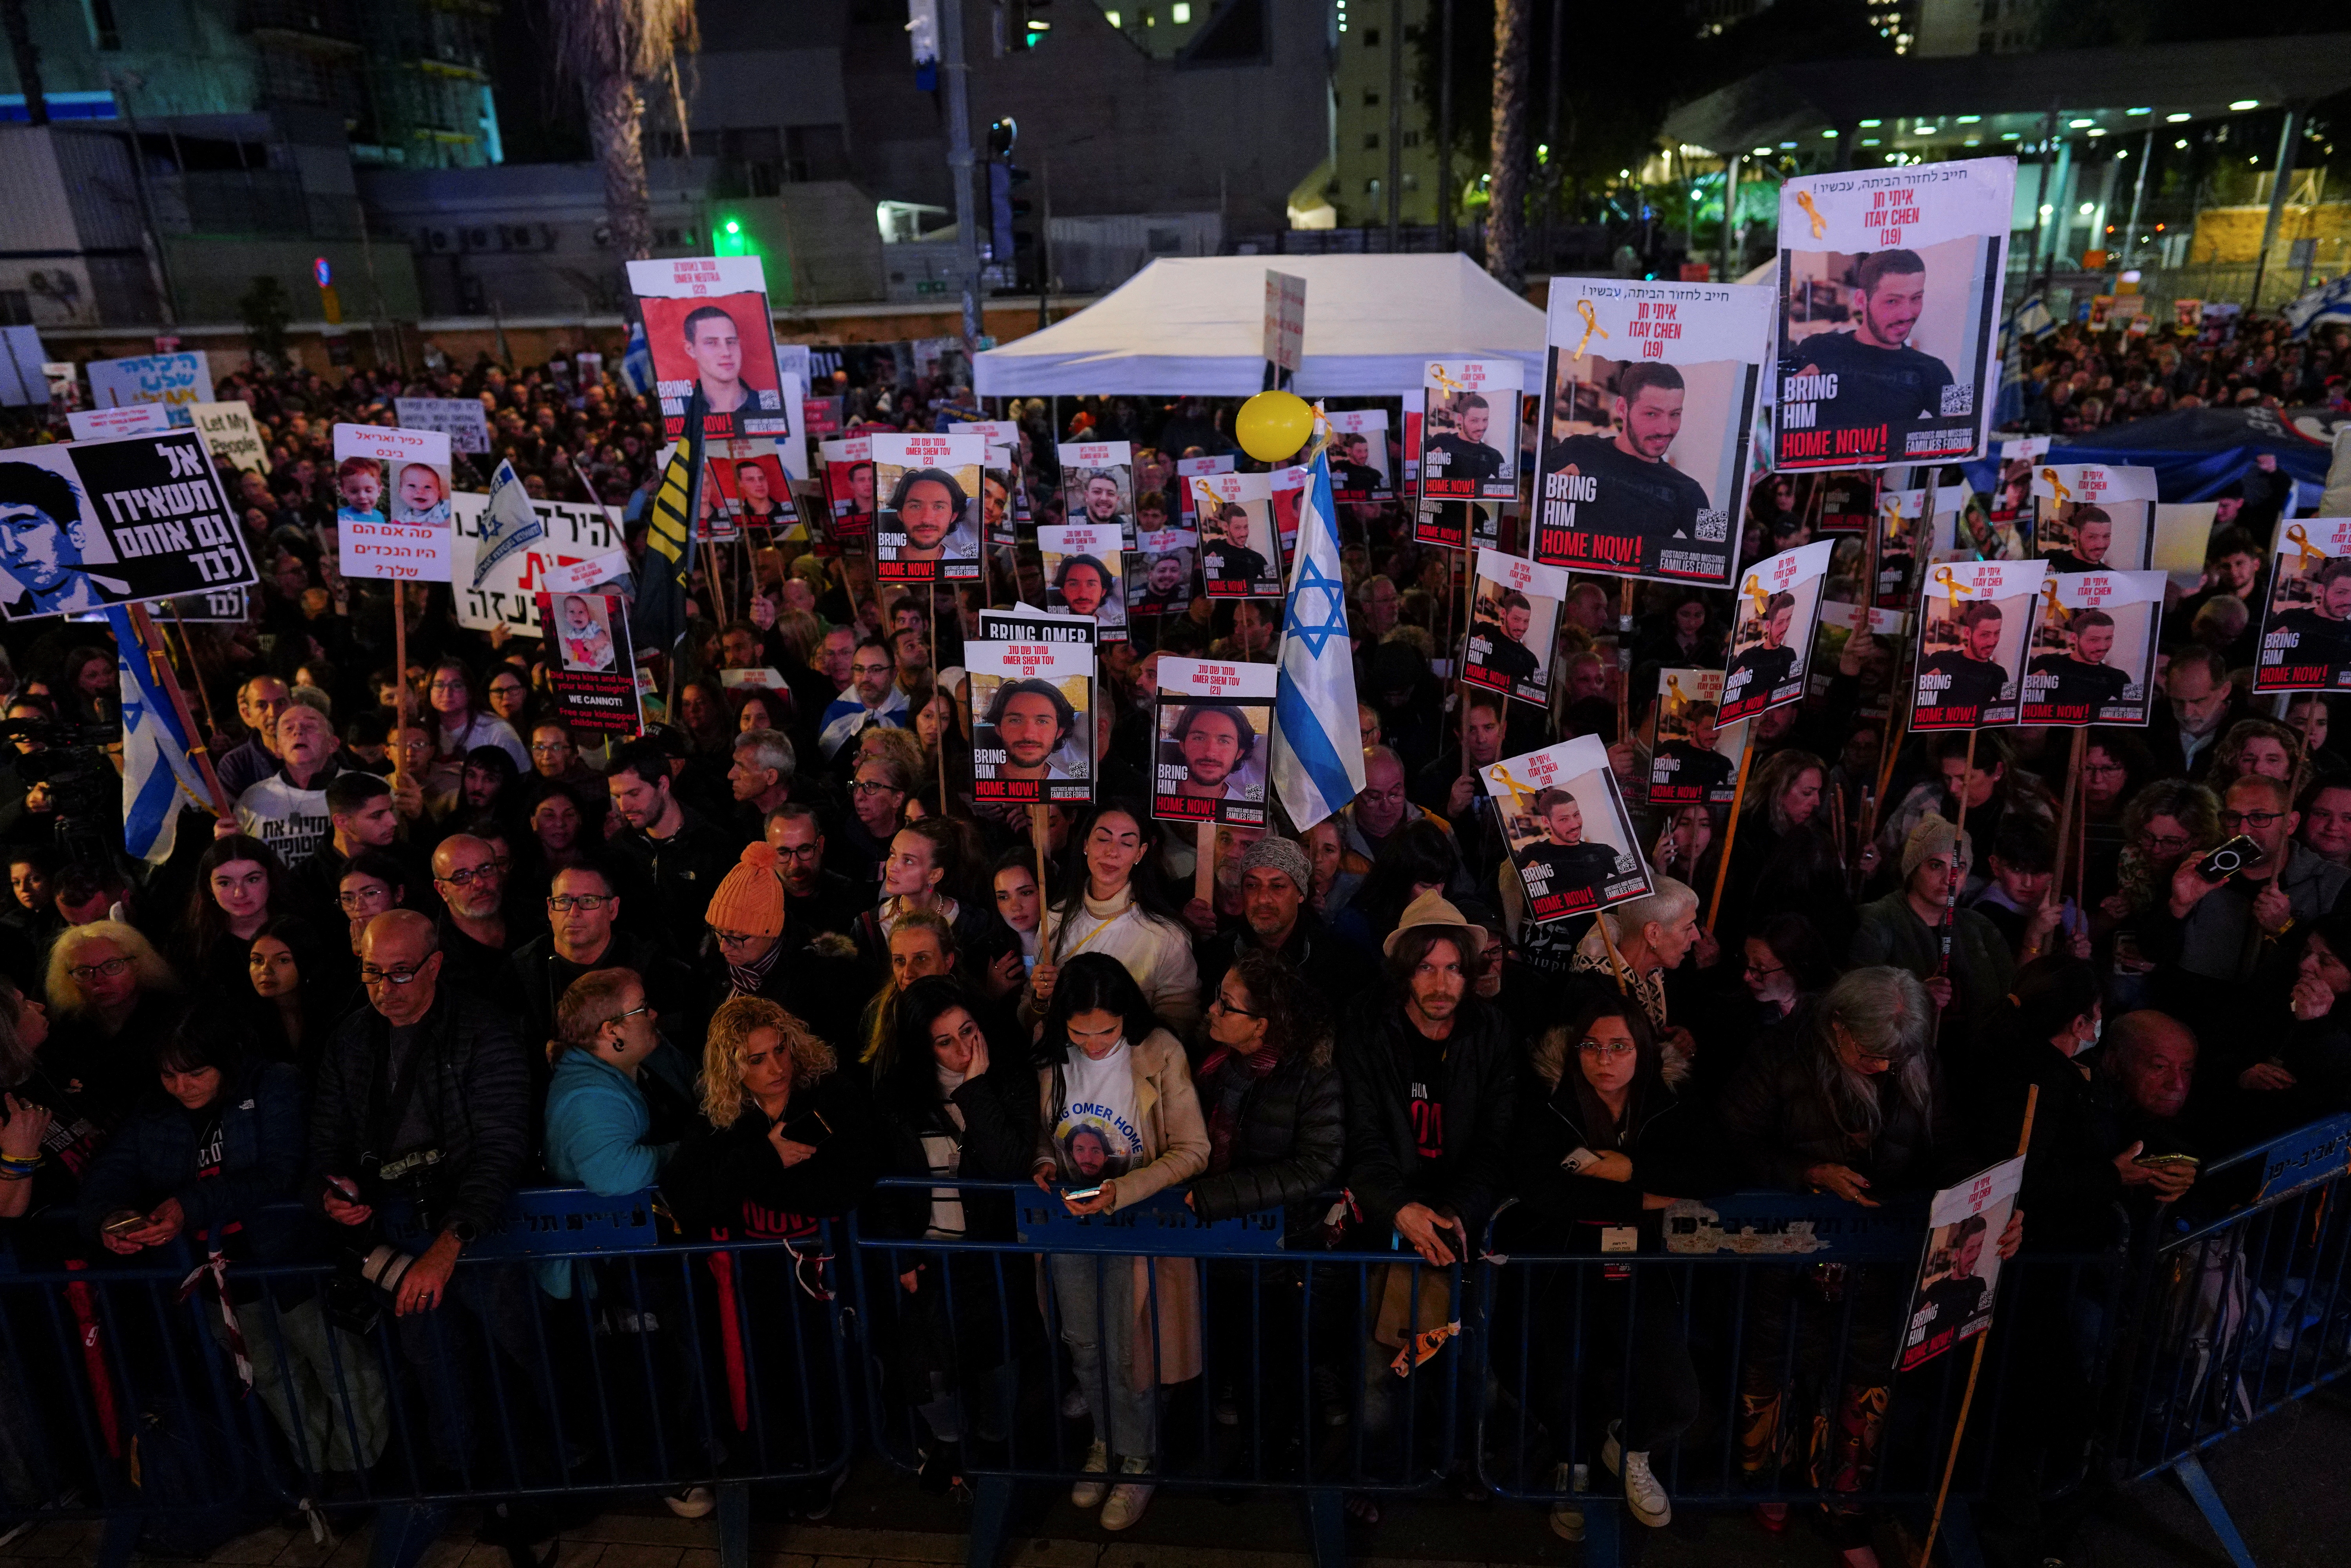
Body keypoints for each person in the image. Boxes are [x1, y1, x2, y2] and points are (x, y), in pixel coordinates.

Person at [306, 909, 534, 1472]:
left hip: (479, 1230)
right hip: (395, 1223)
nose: (387, 989)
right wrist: (331, 1191)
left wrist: (449, 1244)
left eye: (402, 972)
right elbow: (323, 1143)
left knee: (520, 1357)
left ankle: (542, 1479)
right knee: (433, 1366)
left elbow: (501, 1148)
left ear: (435, 966)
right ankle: (465, 1483)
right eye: (373, 972)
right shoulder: (351, 1037)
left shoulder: (485, 1029)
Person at [1505, 994, 1728, 1538]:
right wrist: (1641, 1196)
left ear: (1643, 1051)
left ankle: (1630, 1447)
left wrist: (1623, 1166)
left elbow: (1711, 1172)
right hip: (1562, 1259)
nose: (1604, 1058)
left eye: (1620, 1047)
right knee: (1553, 1372)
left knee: (1677, 1394)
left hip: (1643, 1262)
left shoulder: (1672, 1100)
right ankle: (1572, 1465)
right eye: (1593, 1045)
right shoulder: (1549, 1099)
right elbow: (1541, 1189)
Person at [1029, 952, 1208, 1533]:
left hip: (1137, 1224)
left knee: (1132, 1345)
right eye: (1079, 1032)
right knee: (1082, 1339)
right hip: (1069, 1224)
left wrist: (1125, 1189)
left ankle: (1138, 1457)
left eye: (1106, 1030)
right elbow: (1039, 1127)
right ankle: (1105, 1442)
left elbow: (1193, 1148)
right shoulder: (1051, 1053)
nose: (1095, 1042)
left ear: (1126, 1017)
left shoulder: (1159, 1052)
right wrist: (1041, 1161)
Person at [866, 976, 1038, 1492]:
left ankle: (992, 1455)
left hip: (991, 1254)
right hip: (929, 1258)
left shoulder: (1006, 1076)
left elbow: (1011, 1161)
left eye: (969, 1031)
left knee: (998, 1367)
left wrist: (974, 1088)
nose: (964, 1049)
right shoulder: (895, 1094)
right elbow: (880, 1184)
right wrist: (902, 1259)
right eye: (946, 1040)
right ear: (923, 1045)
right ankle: (949, 1447)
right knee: (932, 1374)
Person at [1851, 815, 2013, 1060]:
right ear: (1913, 870)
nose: (1949, 878)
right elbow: (1854, 999)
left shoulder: (1980, 929)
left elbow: (2010, 1000)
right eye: (1936, 865)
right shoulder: (1876, 923)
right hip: (1904, 1065)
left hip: (1971, 1069)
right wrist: (1914, 996)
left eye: (1958, 868)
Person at [1028, 803, 1202, 1033]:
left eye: (1127, 843)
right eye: (1103, 839)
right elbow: (1029, 1020)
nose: (1112, 851)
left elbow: (1180, 1025)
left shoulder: (1168, 936)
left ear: (1140, 853)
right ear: (1085, 845)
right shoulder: (1053, 919)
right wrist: (1040, 998)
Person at [1543, 362, 1711, 555]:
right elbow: (1532, 521)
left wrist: (1741, 502)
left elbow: (1717, 556)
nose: (1665, 429)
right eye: (1651, 414)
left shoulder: (1689, 491)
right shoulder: (1577, 450)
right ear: (1623, 409)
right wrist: (1549, 493)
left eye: (1675, 415)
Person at [1780, 249, 1956, 431]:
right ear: (1861, 300)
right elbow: (1765, 410)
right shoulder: (1816, 349)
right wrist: (1789, 394)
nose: (1907, 314)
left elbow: (1965, 437)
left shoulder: (1936, 371)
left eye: (1916, 298)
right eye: (1893, 301)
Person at [0, 460, 125, 614]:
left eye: (25, 527)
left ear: (76, 535)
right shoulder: (10, 633)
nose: (11, 548)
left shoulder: (139, 607)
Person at [1514, 788, 1623, 908]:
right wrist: (1525, 880)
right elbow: (1512, 894)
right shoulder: (1532, 853)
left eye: (1576, 815)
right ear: (1546, 822)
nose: (1575, 825)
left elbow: (1639, 873)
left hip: (1601, 922)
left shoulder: (1603, 851)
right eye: (1564, 819)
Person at [678, 302, 779, 421]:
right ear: (691, 350)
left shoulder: (770, 402)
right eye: (711, 343)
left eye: (731, 342)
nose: (726, 352)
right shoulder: (680, 407)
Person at [2024, 607, 2130, 719]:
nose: (2102, 647)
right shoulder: (2046, 663)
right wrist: (2029, 685)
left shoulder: (2118, 677)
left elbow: (2135, 711)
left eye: (2108, 639)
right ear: (2074, 638)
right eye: (2094, 640)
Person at [819, 636, 911, 760]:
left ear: (893, 674)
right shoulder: (836, 713)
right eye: (859, 669)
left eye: (876, 670)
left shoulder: (910, 714)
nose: (866, 678)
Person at [1917, 600, 2010, 719]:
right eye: (1985, 635)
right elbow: (1913, 700)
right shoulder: (1940, 660)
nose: (1992, 642)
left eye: (1997, 634)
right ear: (1968, 633)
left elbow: (2011, 709)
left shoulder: (2000, 673)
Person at [2265, 554, 2351, 680]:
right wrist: (2267, 647)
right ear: (2322, 591)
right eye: (2341, 592)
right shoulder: (2290, 619)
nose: (2348, 601)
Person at [981, 678, 1078, 784]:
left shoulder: (1069, 790)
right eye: (1016, 720)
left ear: (1059, 731)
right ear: (998, 728)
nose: (1028, 735)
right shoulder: (974, 780)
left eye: (1042, 721)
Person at [1721, 592, 1799, 713]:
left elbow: (1795, 689)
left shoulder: (1788, 655)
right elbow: (1726, 685)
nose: (1784, 628)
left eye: (1788, 620)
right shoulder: (1749, 655)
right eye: (1780, 623)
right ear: (1768, 626)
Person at [1165, 702, 1257, 801]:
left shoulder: (1244, 810)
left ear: (1239, 753)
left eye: (1224, 741)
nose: (1210, 753)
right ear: (1182, 745)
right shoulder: (1155, 792)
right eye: (1199, 738)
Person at [885, 468, 978, 563]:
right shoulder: (879, 560)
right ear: (900, 513)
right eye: (916, 506)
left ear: (953, 516)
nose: (926, 520)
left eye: (939, 507)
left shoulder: (962, 570)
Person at [1652, 701, 1735, 796]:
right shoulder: (1670, 747)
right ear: (1693, 726)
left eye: (1719, 729)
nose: (1714, 735)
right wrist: (1656, 765)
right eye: (1708, 729)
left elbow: (1735, 793)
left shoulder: (1725, 763)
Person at [1425, 391, 1506, 486]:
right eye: (1474, 421)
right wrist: (1429, 462)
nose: (1481, 427)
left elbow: (1508, 488)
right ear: (1460, 419)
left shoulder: (1494, 456)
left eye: (1485, 420)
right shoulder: (1441, 441)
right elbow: (1417, 474)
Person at [1469, 588, 1542, 688]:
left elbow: (1543, 691)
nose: (1522, 627)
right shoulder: (1484, 629)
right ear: (1504, 614)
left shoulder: (1530, 659)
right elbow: (1461, 664)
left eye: (1526, 621)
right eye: (1516, 619)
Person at [1203, 504, 1269, 589]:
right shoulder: (1213, 546)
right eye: (1238, 528)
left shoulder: (1258, 558)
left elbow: (1275, 582)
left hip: (1247, 602)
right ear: (1226, 527)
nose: (1243, 534)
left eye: (1246, 527)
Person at [2041, 503, 2117, 576]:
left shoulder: (2111, 578)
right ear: (2075, 534)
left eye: (2106, 536)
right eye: (2092, 537)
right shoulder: (2052, 559)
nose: (2100, 545)